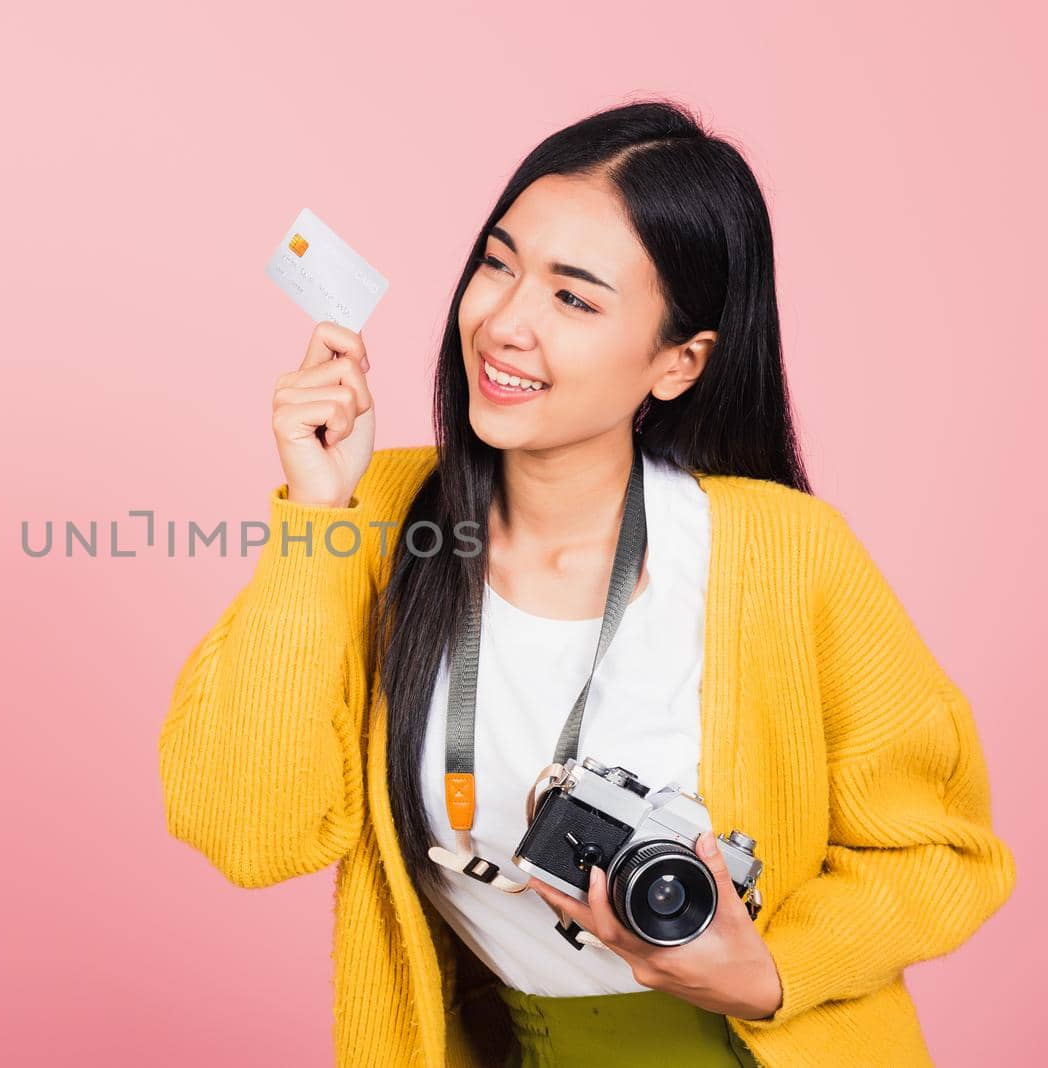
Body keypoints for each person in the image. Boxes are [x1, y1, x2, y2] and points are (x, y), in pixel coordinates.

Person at [157, 99, 1015, 1067]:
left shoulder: (785, 552)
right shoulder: (372, 517)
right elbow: (245, 831)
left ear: (678, 363)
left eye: (573, 298)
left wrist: (773, 968)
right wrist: (317, 514)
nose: (504, 323)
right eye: (496, 264)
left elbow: (942, 851)